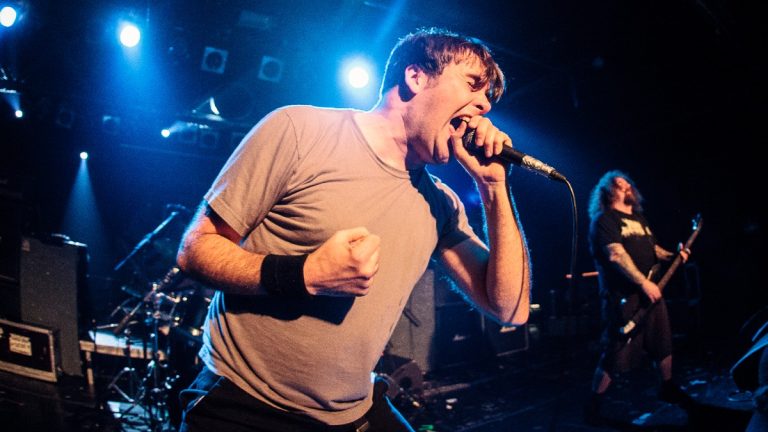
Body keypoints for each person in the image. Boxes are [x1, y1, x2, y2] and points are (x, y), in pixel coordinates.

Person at [175, 27, 531, 432]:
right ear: (416, 76)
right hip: (245, 404)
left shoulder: (441, 204)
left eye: (488, 97)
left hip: (351, 412)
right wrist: (304, 274)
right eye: (473, 84)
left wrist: (493, 188)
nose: (484, 105)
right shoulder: (299, 131)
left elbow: (511, 308)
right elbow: (195, 249)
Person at [584, 170, 693, 423]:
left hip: (652, 290)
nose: (627, 187)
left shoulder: (639, 219)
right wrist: (643, 283)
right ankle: (593, 405)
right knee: (616, 350)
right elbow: (615, 254)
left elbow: (654, 249)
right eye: (620, 184)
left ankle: (667, 386)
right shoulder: (604, 219)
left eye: (628, 183)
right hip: (623, 296)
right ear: (608, 191)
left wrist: (675, 256)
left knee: (662, 341)